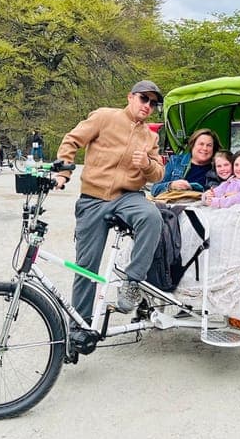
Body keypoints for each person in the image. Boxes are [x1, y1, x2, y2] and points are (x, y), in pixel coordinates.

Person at [54, 80, 165, 324]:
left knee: (152, 216)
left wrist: (147, 164)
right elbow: (72, 140)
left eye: (153, 103)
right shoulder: (105, 117)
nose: (148, 105)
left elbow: (158, 173)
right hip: (93, 198)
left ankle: (132, 282)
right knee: (85, 267)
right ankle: (79, 325)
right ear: (130, 97)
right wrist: (63, 173)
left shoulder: (150, 137)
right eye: (143, 99)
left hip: (127, 196)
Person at [150, 128, 222, 197]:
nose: (204, 148)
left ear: (213, 148)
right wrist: (171, 185)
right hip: (175, 205)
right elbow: (154, 190)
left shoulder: (219, 167)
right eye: (201, 144)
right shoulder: (175, 161)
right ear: (192, 145)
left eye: (209, 145)